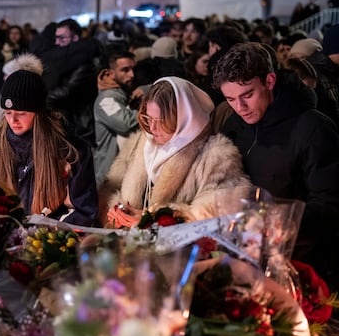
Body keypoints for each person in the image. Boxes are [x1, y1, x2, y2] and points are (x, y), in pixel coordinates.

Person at [213, 42, 339, 283]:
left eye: (248, 95)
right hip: (245, 257)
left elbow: (330, 204)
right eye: (230, 99)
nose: (240, 107)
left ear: (269, 81)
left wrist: (275, 222)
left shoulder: (312, 128)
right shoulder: (234, 125)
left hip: (301, 265)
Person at [101, 77, 251, 227]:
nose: (152, 128)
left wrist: (154, 219)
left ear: (184, 118)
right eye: (148, 118)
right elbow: (109, 189)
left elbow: (214, 216)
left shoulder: (217, 157)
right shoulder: (139, 144)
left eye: (161, 121)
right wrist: (117, 212)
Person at [0, 70, 98, 226]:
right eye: (8, 112)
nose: (13, 120)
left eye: (22, 113)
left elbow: (84, 211)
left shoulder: (69, 152)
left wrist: (43, 233)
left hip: (48, 241)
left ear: (38, 112)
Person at [92, 49, 139, 186]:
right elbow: (125, 123)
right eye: (125, 70)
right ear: (109, 73)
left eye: (133, 69)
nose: (132, 75)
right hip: (109, 175)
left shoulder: (123, 93)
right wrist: (147, 111)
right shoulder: (106, 99)